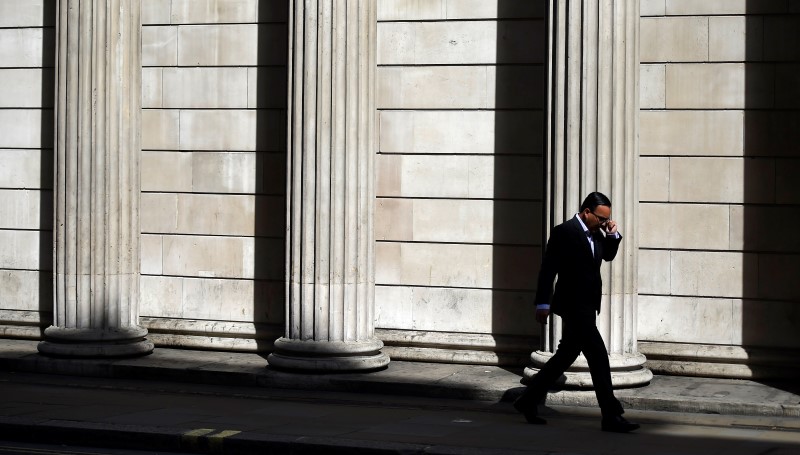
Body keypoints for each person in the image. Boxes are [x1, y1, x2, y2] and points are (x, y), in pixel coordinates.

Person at [513, 192, 639, 433]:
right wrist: (542, 303)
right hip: (572, 305)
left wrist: (612, 234)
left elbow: (608, 256)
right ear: (587, 212)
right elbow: (548, 269)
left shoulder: (599, 233)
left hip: (588, 306)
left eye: (607, 219)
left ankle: (527, 400)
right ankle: (611, 416)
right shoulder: (564, 232)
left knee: (565, 356)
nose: (604, 222)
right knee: (599, 358)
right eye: (602, 219)